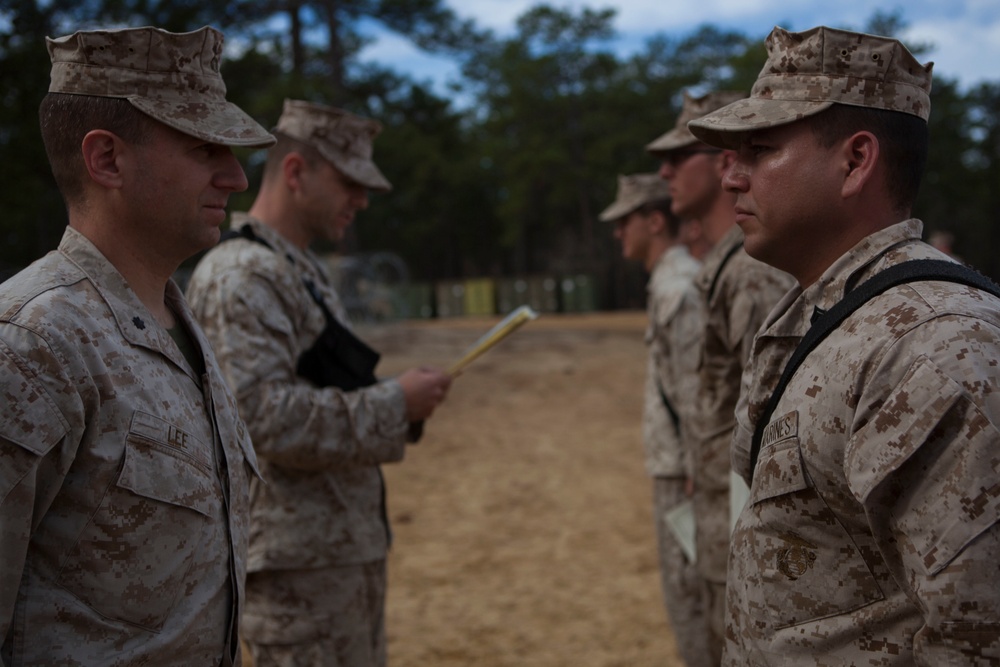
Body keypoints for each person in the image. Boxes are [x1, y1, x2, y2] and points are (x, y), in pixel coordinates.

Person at [689, 25, 1000, 664]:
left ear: (856, 160)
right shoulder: (826, 311)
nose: (732, 179)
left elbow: (975, 639)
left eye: (761, 148)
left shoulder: (938, 345)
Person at [0, 26, 275, 665]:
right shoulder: (31, 347)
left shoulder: (179, 326)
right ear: (107, 160)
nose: (235, 177)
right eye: (206, 147)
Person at [186, 99, 453, 667]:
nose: (361, 201)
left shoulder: (295, 269)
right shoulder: (242, 275)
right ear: (296, 172)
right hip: (296, 576)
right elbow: (258, 419)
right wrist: (393, 404)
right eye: (350, 183)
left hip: (331, 559)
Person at [647, 91, 794, 663]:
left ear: (723, 162)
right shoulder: (725, 265)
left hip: (739, 522)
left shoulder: (751, 270)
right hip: (715, 516)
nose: (663, 172)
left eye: (678, 154)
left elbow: (769, 424)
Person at [600, 173, 711, 666]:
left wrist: (696, 470)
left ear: (655, 220)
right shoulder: (669, 284)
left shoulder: (679, 289)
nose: (616, 233)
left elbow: (697, 393)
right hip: (680, 468)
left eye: (624, 221)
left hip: (685, 476)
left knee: (694, 609)